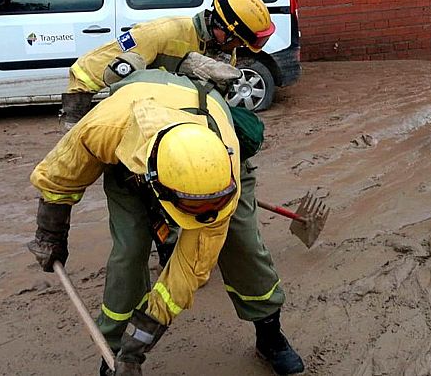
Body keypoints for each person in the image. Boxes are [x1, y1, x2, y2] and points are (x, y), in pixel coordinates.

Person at [28, 53, 304, 375]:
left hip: (207, 149)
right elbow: (60, 176)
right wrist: (51, 234)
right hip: (127, 158)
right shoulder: (104, 127)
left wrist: (139, 348)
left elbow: (185, 276)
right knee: (129, 253)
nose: (204, 217)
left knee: (242, 245)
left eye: (208, 209)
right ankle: (112, 353)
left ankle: (270, 335)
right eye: (195, 209)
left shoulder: (224, 164)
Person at [60, 0, 275, 129]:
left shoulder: (223, 51)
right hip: (141, 117)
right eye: (237, 41)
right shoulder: (161, 33)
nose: (236, 48)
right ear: (222, 28)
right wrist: (76, 117)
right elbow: (87, 69)